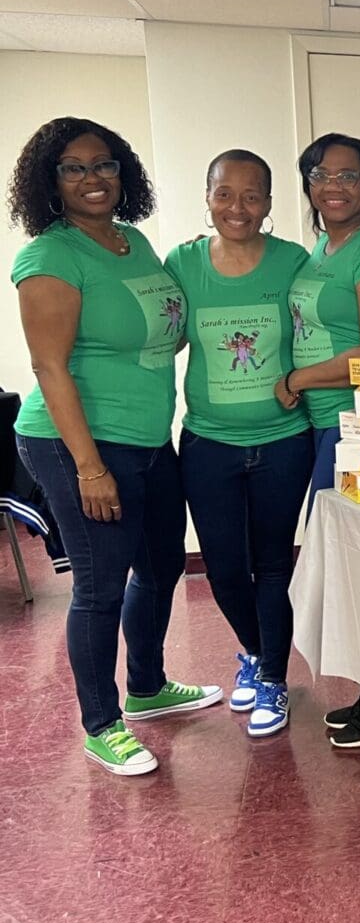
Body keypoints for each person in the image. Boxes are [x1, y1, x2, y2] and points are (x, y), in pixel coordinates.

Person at [6, 117, 220, 776]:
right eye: (73, 168)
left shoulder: (133, 243)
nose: (92, 178)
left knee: (158, 570)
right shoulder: (50, 257)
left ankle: (148, 686)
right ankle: (101, 723)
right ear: (51, 182)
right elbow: (49, 368)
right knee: (99, 590)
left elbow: (162, 333)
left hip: (150, 437)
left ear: (123, 172)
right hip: (81, 444)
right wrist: (90, 466)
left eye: (104, 164)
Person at [167, 150, 315, 738]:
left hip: (283, 440)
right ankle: (257, 653)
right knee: (224, 568)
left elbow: (320, 327)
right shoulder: (182, 263)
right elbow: (162, 335)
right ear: (207, 197)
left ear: (270, 205)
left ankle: (273, 679)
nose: (238, 207)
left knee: (274, 563)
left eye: (252, 196)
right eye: (225, 193)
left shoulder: (293, 262)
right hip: (209, 443)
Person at [280, 133, 360, 749]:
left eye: (349, 175)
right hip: (323, 423)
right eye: (320, 174)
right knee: (344, 562)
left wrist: (299, 378)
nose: (333, 185)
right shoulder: (320, 251)